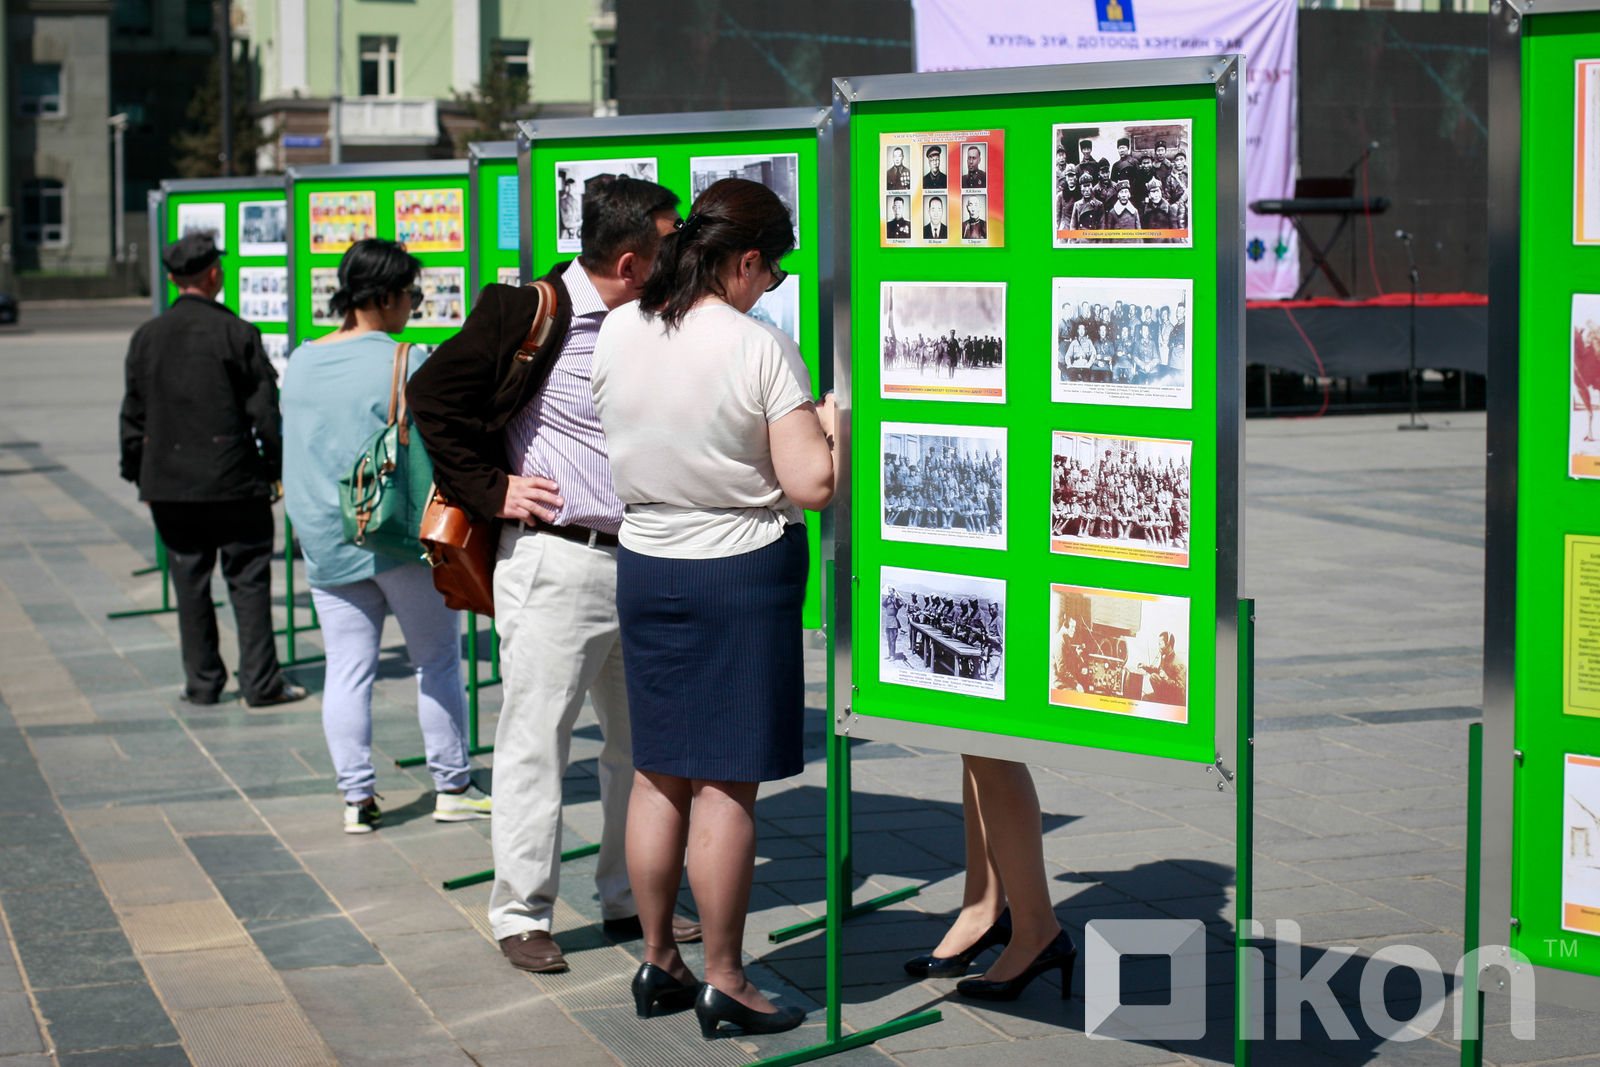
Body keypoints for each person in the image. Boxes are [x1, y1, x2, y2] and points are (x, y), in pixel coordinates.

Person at [407, 175, 701, 976]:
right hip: (556, 560)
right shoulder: (527, 311)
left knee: (643, 747)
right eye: (671, 239)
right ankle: (522, 913)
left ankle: (629, 895)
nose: (682, 251)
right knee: (536, 741)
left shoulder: (654, 319)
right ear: (631, 260)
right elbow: (431, 394)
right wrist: (491, 488)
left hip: (644, 560)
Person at [592, 177, 835, 1039]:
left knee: (658, 770)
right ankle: (727, 978)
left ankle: (659, 958)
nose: (771, 286)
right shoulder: (758, 345)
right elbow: (811, 483)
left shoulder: (621, 326)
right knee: (726, 781)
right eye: (773, 271)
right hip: (739, 570)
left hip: (646, 561)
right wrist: (832, 425)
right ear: (747, 260)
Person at [280, 239, 489, 834]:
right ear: (388, 296)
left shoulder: (301, 360)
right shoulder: (405, 359)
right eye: (412, 295)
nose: (413, 306)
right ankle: (452, 785)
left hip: (326, 540)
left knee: (347, 670)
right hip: (394, 537)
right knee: (436, 661)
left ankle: (356, 799)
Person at [118, 234, 305, 710]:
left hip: (169, 484)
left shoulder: (146, 337)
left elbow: (133, 414)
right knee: (249, 579)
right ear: (215, 274)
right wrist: (274, 469)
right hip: (234, 480)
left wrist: (138, 472)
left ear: (171, 279)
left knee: (189, 582)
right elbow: (265, 413)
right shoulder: (237, 333)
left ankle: (202, 683)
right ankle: (261, 683)